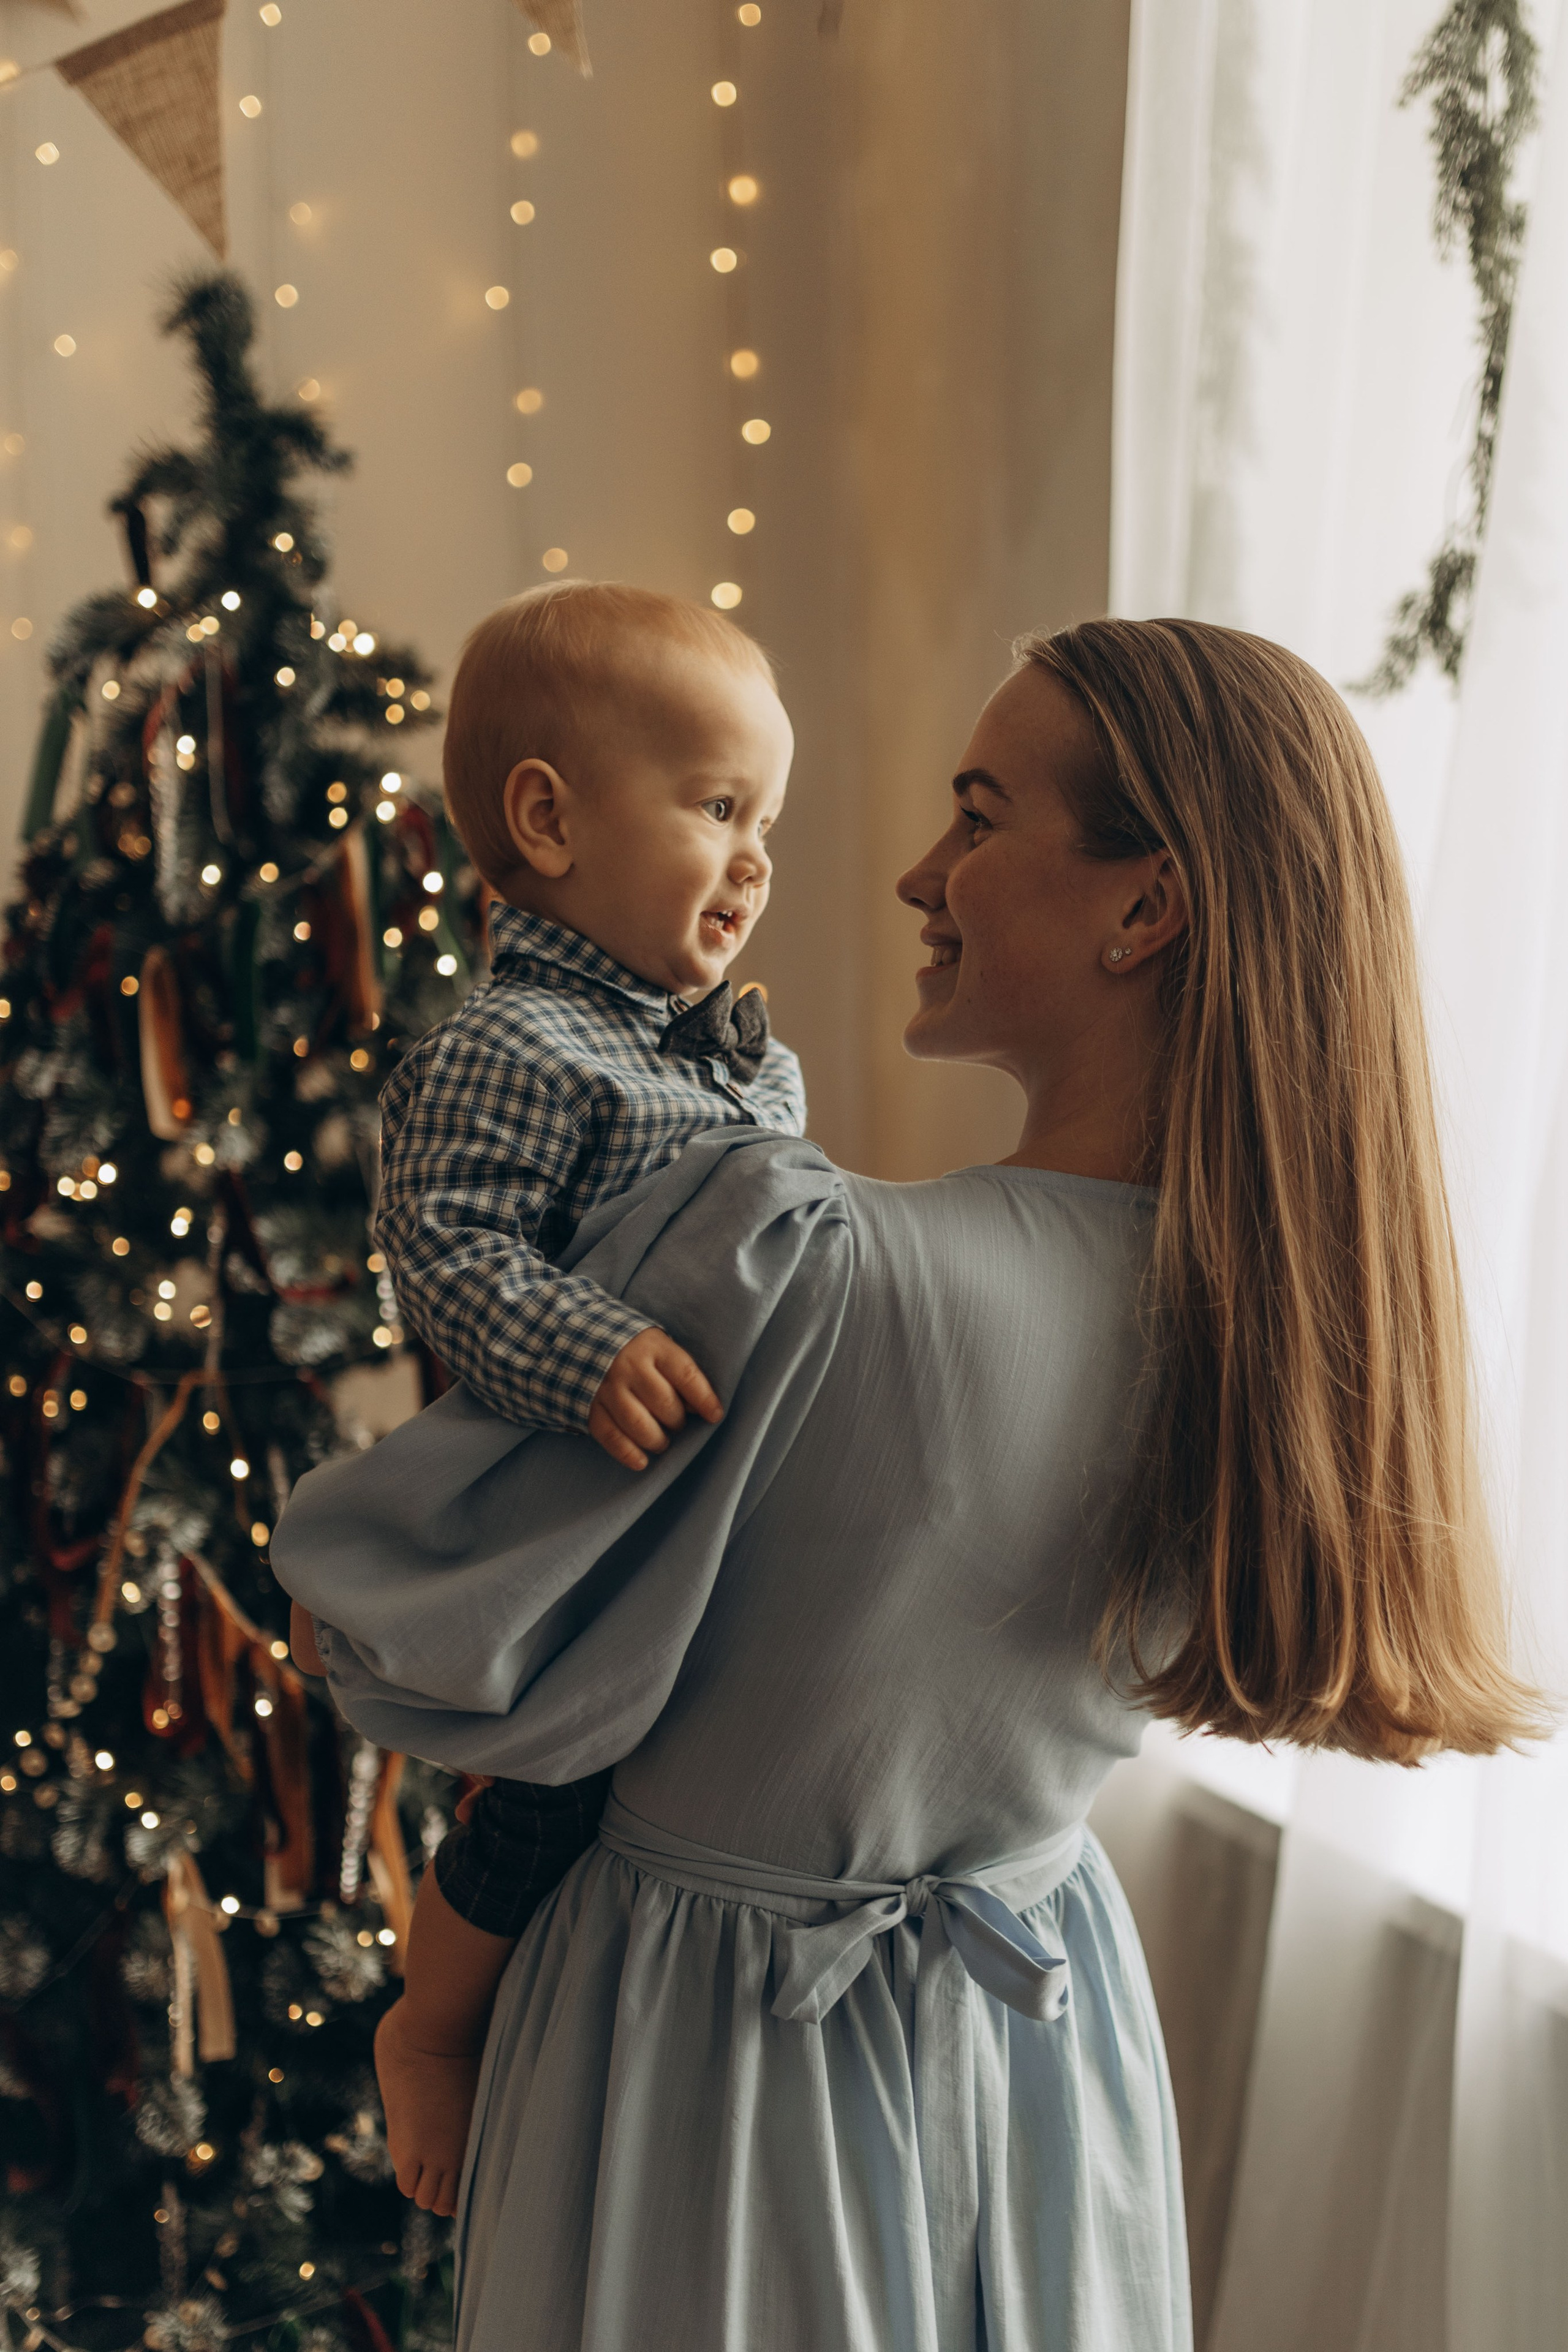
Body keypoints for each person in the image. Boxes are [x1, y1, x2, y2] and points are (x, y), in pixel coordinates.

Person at [278, 618, 1536, 2352]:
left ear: (1145, 907)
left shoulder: (808, 1267)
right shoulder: (1295, 1344)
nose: (915, 872)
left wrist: (429, 1987)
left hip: (712, 2070)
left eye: (979, 815)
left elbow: (476, 1650)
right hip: (1046, 2054)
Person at [306, 578, 805, 2193]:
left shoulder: (738, 1059)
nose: (754, 859)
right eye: (718, 807)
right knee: (549, 1791)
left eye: (766, 822)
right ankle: (432, 2030)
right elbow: (444, 1250)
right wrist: (589, 1354)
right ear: (549, 820)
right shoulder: (513, 1047)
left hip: (718, 1505)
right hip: (577, 1509)